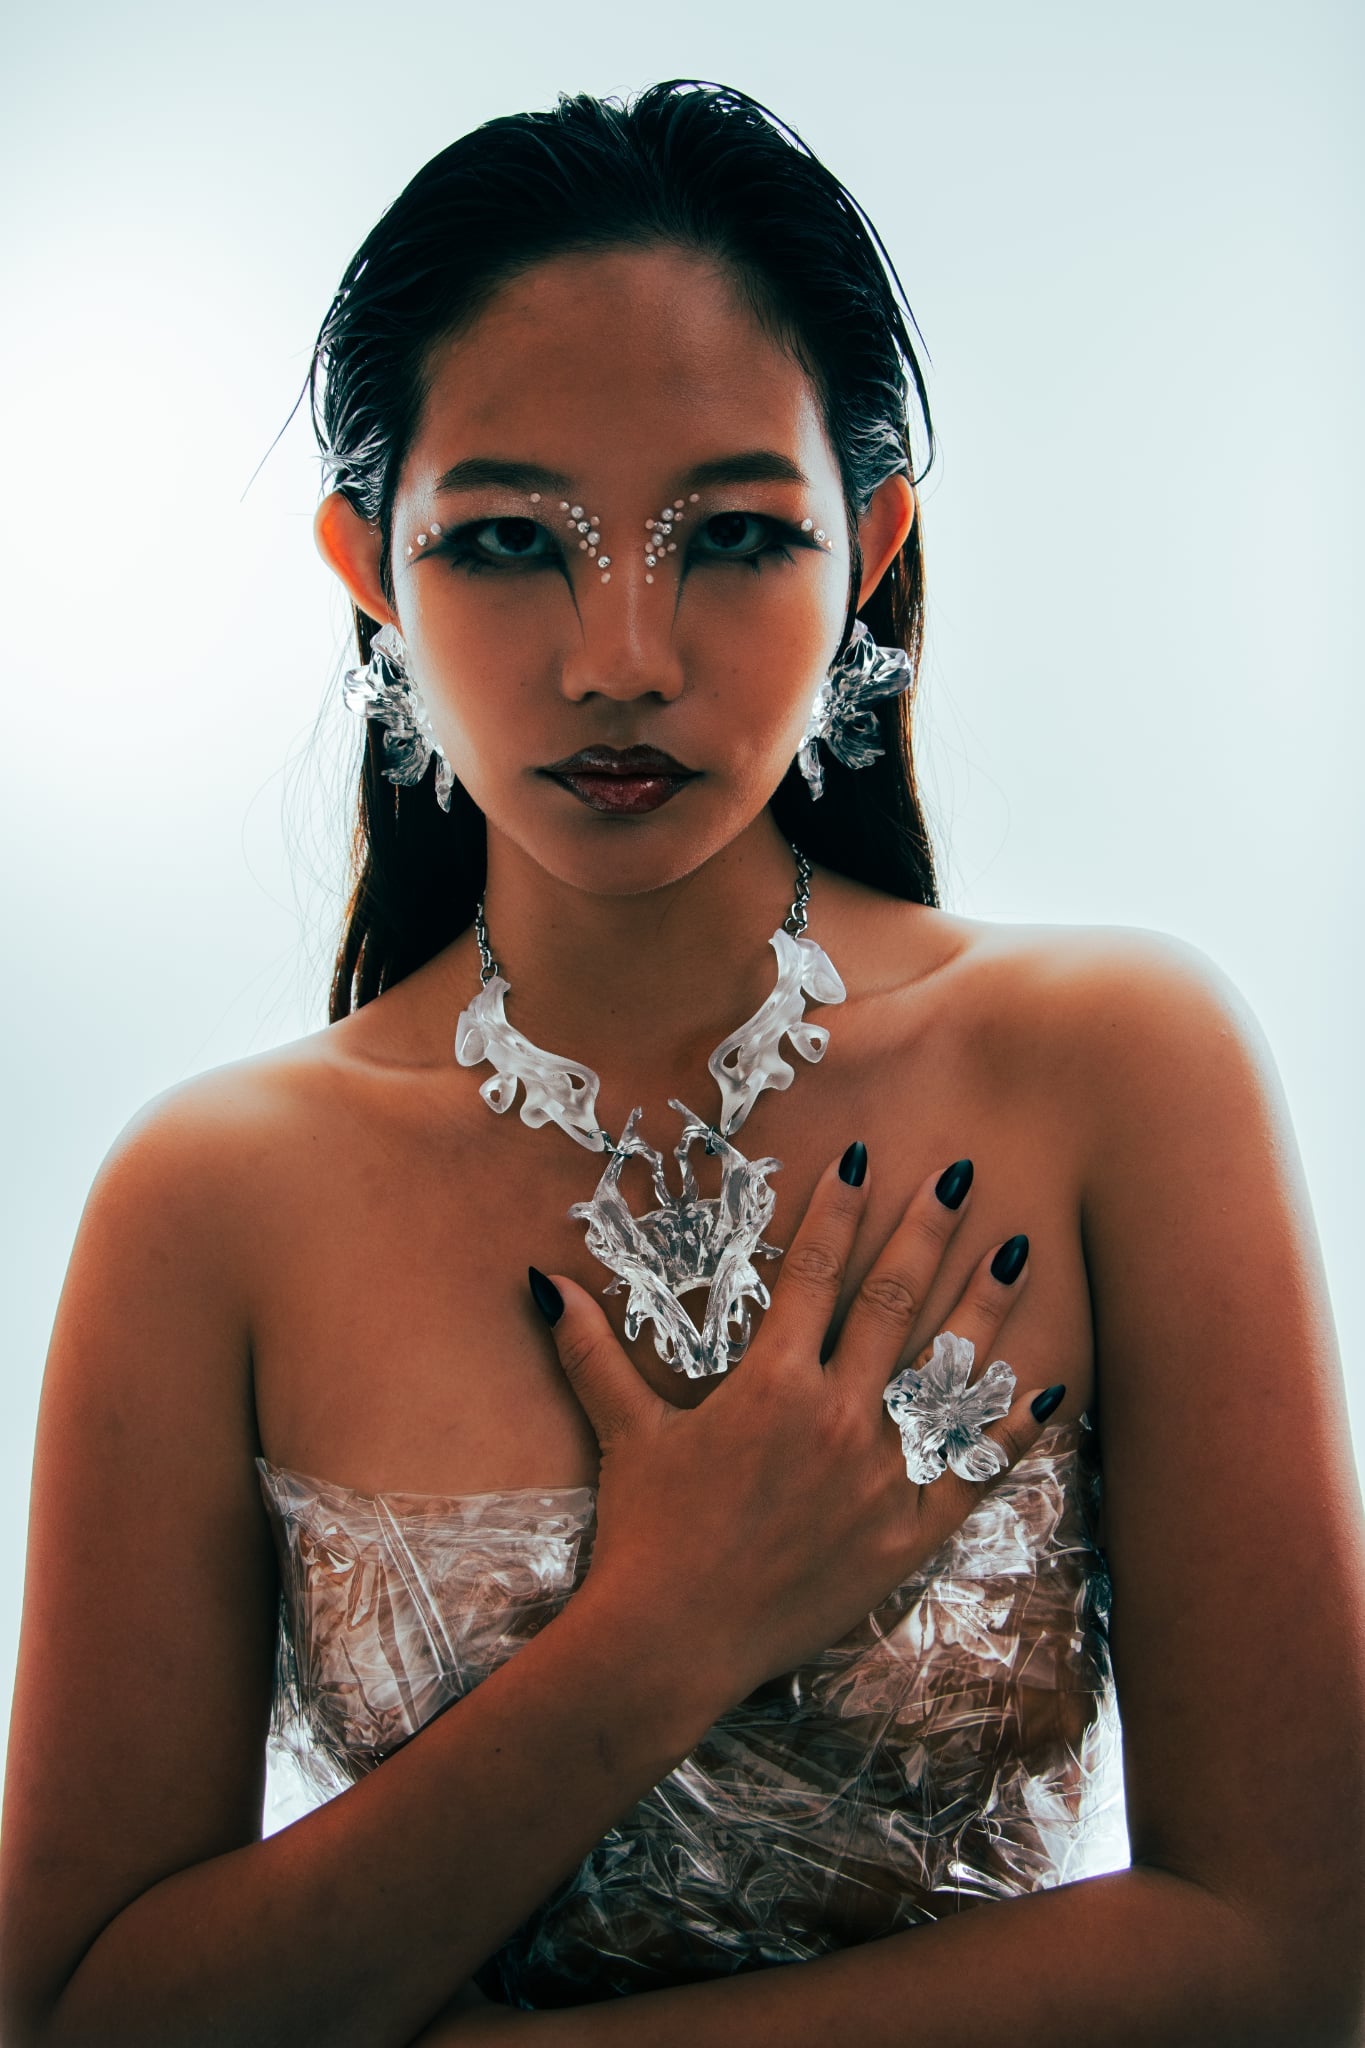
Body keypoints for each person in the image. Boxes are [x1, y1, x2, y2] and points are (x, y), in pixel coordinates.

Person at [0, 78, 1360, 2048]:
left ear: (870, 545)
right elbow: (80, 2021)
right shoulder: (206, 1200)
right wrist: (658, 1629)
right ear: (364, 565)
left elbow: (1288, 1963)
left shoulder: (1117, 1070)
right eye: (503, 542)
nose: (618, 651)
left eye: (728, 533)